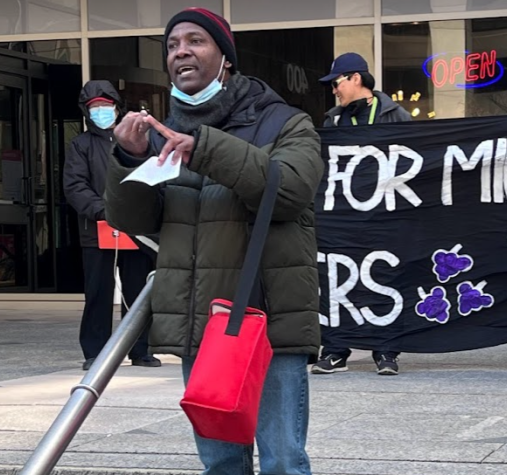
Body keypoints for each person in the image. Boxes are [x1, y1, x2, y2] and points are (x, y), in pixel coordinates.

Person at [104, 8, 323, 474]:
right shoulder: (164, 132)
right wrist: (128, 157)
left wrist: (204, 148)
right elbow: (137, 221)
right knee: (221, 463)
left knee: (283, 460)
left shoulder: (284, 122)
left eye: (195, 41)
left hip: (268, 322)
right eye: (172, 44)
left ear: (225, 57)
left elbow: (290, 191)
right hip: (201, 324)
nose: (180, 51)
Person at [311, 52, 411, 376]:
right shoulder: (333, 121)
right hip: (344, 217)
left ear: (356, 78)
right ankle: (337, 350)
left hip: (386, 215)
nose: (334, 91)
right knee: (338, 278)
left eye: (336, 83)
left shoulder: (396, 115)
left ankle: (385, 351)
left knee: (385, 278)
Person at [63, 80, 160, 371]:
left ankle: (140, 349)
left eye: (106, 106)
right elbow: (74, 185)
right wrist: (103, 211)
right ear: (86, 111)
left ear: (117, 107)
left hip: (136, 228)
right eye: (95, 108)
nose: (101, 111)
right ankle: (95, 351)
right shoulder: (80, 145)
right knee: (98, 293)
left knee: (138, 291)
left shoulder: (139, 138)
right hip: (97, 230)